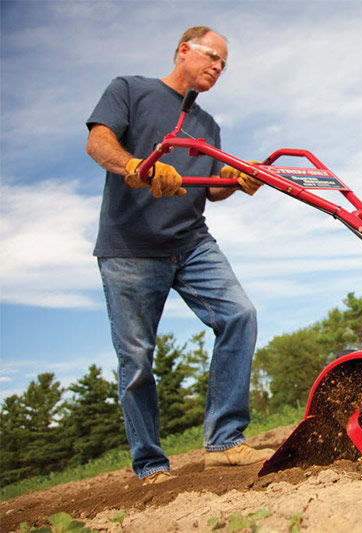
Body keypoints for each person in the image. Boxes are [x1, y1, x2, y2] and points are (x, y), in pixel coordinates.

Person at [86, 26, 271, 485]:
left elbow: (212, 191)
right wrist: (134, 165)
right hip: (130, 247)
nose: (218, 68)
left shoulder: (208, 126)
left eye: (224, 64)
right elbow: (98, 143)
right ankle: (150, 464)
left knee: (239, 315)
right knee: (137, 359)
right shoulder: (130, 89)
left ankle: (225, 440)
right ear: (184, 50)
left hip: (191, 243)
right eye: (212, 56)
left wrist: (235, 179)